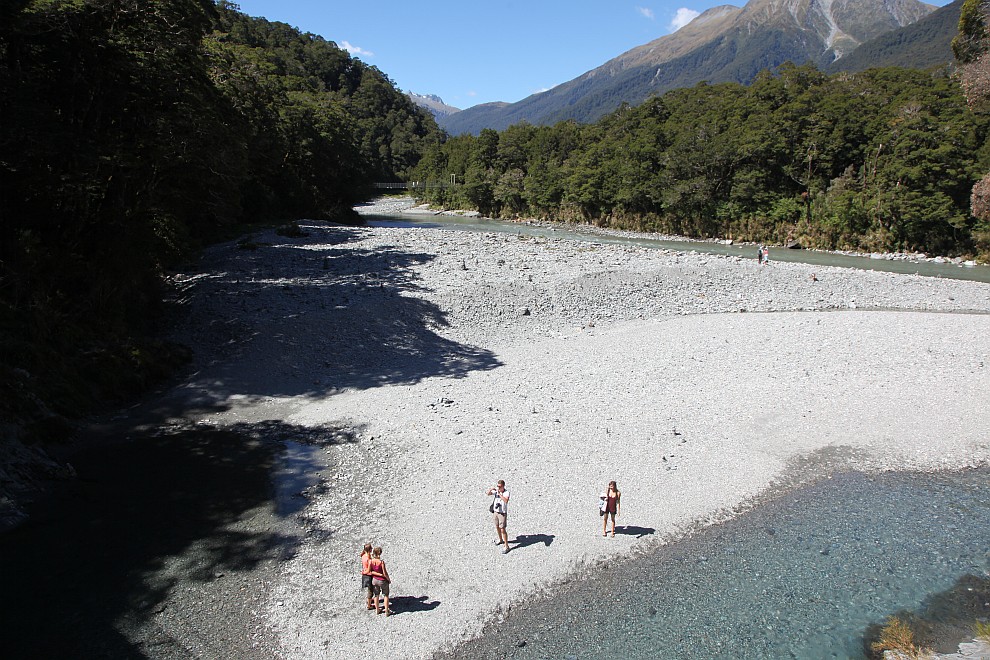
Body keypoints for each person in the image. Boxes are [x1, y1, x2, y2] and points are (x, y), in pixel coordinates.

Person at [486, 479, 511, 554]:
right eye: (497, 486)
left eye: (499, 486)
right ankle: (500, 539)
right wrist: (491, 489)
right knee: (497, 526)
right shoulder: (496, 491)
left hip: (502, 513)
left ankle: (506, 546)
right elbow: (488, 494)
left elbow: (506, 501)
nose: (498, 487)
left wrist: (499, 494)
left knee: (502, 529)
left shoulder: (506, 492)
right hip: (496, 512)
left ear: (503, 486)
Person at [369, 546, 392, 616]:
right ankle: (387, 610)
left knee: (376, 595)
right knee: (386, 595)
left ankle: (377, 609)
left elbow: (370, 571)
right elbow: (385, 573)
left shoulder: (371, 561)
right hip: (382, 581)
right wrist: (388, 579)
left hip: (375, 580)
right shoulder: (381, 562)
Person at [360, 543, 374, 611]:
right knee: (370, 591)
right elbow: (369, 569)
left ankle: (369, 600)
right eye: (371, 548)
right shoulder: (369, 559)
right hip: (369, 575)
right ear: (369, 549)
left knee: (369, 589)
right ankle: (369, 605)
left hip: (365, 575)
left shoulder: (363, 556)